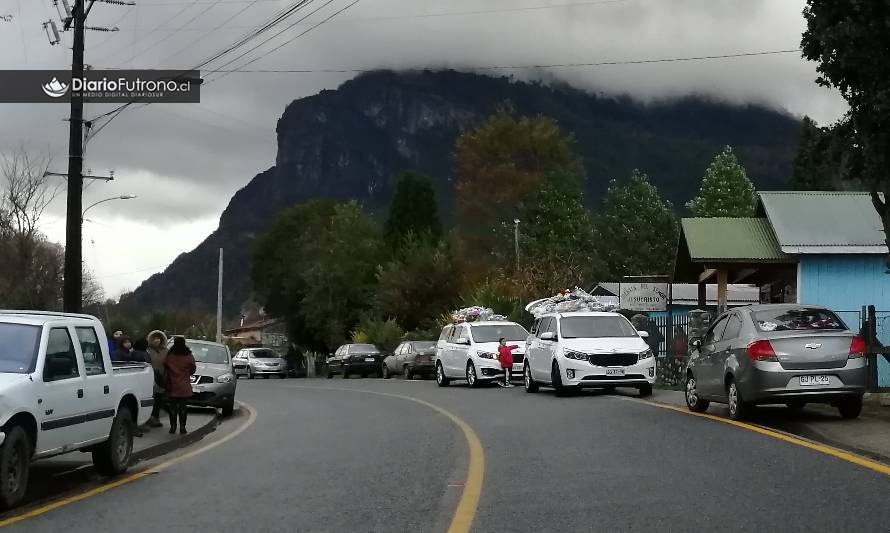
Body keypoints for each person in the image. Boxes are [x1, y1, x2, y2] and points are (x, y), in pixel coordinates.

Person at [165, 336, 196, 435]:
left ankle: (173, 427)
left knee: (173, 407)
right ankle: (182, 427)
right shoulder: (188, 355)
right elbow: (193, 368)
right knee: (183, 407)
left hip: (172, 384)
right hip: (184, 385)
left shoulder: (170, 355)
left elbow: (164, 365)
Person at [145, 330, 169, 428]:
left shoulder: (166, 351)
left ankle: (156, 417)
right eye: (154, 339)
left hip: (162, 377)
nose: (157, 341)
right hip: (150, 376)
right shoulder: (147, 351)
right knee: (151, 398)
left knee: (159, 399)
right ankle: (148, 418)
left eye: (159, 339)